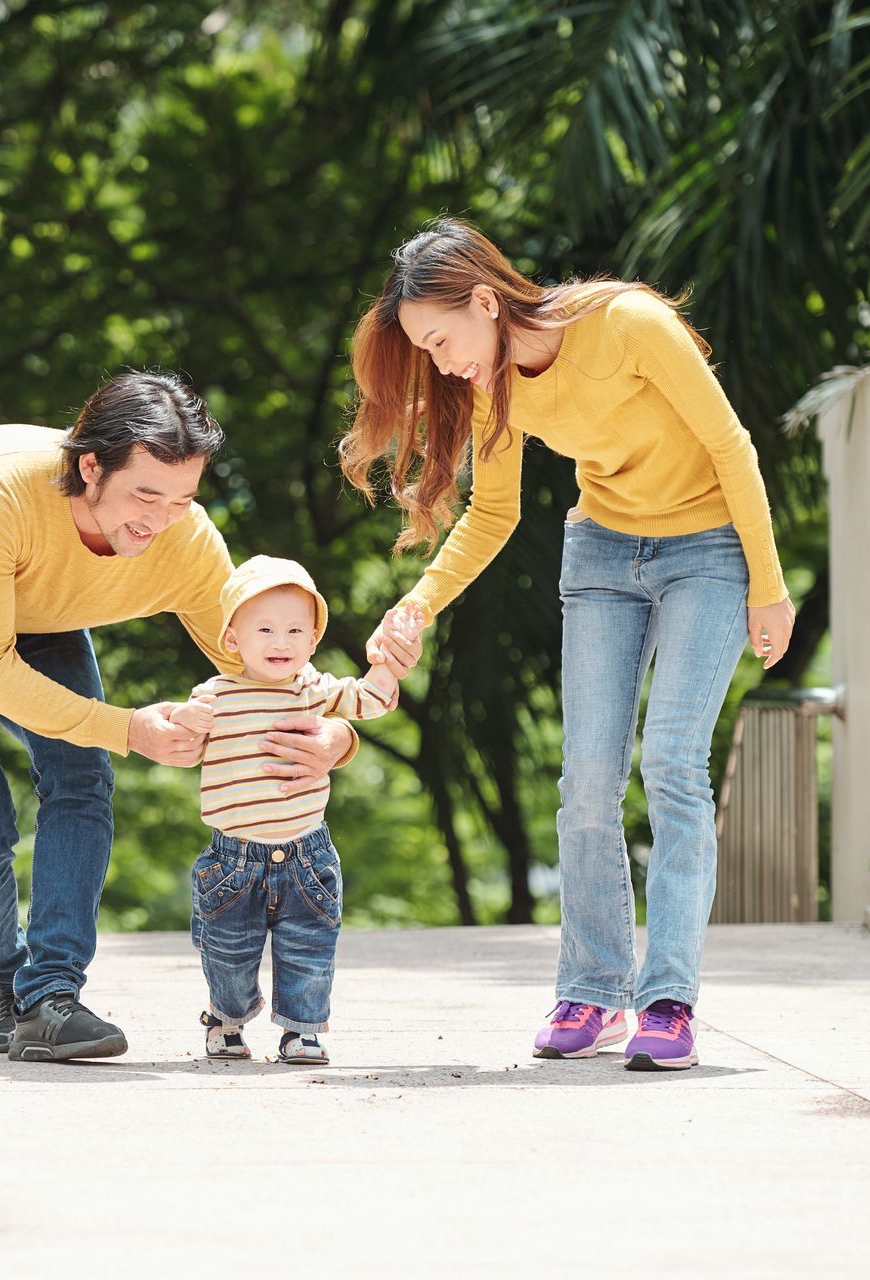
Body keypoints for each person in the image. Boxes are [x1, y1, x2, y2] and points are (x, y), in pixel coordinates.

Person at [340, 219, 796, 1071]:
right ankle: (592, 988)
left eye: (442, 339)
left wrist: (769, 586)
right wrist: (418, 605)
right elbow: (494, 513)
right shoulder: (490, 387)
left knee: (671, 760)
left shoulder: (628, 325)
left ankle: (668, 1001)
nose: (442, 363)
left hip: (711, 550)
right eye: (426, 350)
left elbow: (732, 445)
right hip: (602, 555)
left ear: (484, 300)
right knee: (588, 775)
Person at [0, 371, 377, 1063]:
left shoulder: (184, 540)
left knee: (81, 781)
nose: (158, 520)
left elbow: (266, 662)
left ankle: (50, 1000)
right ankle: (5, 994)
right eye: (145, 494)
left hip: (44, 617)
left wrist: (336, 736)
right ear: (89, 466)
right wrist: (130, 728)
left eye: (182, 498)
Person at [160, 557, 423, 1065]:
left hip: (307, 854)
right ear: (233, 638)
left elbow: (372, 697)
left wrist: (389, 661)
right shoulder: (214, 695)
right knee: (229, 954)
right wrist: (182, 718)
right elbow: (177, 736)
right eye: (265, 629)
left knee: (309, 947)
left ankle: (302, 1030)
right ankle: (226, 1016)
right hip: (231, 861)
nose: (281, 642)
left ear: (312, 642)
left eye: (295, 630)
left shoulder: (312, 688)